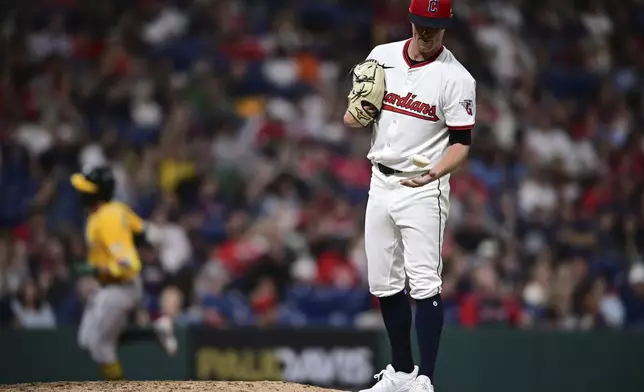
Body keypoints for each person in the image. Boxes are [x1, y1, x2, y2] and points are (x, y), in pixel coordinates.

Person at [343, 1, 476, 391]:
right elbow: (354, 117)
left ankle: (425, 381)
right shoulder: (382, 57)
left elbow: (462, 143)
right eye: (421, 24)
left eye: (435, 25)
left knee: (424, 283)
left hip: (425, 187)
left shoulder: (457, 78)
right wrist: (356, 112)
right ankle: (401, 373)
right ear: (411, 21)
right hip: (380, 181)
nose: (427, 32)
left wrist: (435, 171)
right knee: (383, 282)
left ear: (446, 27)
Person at [70, 165, 178, 381]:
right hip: (110, 287)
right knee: (87, 341)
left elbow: (129, 265)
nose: (81, 192)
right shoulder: (114, 210)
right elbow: (143, 231)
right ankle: (154, 330)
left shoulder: (107, 219)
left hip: (120, 288)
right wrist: (153, 235)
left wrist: (97, 269)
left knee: (100, 345)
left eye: (87, 188)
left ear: (97, 193)